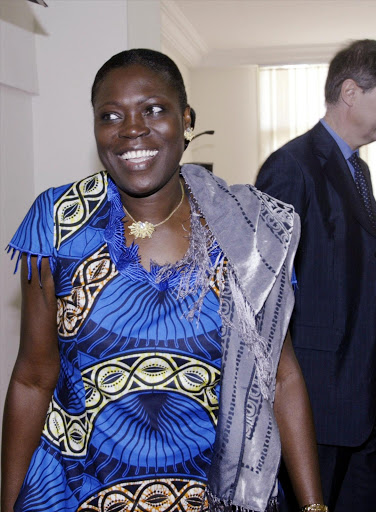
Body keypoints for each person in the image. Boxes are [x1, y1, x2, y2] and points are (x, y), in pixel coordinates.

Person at [1, 48, 327, 512]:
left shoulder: (249, 231)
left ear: (186, 118)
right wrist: (8, 501)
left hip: (209, 492)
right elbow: (33, 378)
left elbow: (281, 374)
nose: (132, 128)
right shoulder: (58, 223)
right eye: (111, 115)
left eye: (153, 109)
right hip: (74, 491)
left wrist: (314, 505)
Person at [255, 39, 376, 512]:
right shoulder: (291, 168)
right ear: (350, 92)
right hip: (320, 400)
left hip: (366, 396)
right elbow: (262, 293)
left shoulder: (355, 169)